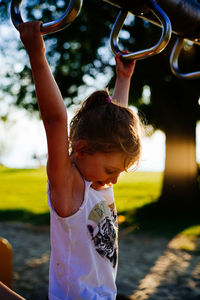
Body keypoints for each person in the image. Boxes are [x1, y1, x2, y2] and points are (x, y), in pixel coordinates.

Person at [18, 21, 142, 300]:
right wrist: (37, 54)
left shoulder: (98, 180)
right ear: (82, 149)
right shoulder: (68, 185)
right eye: (112, 170)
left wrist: (123, 80)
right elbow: (55, 118)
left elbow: (116, 124)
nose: (115, 179)